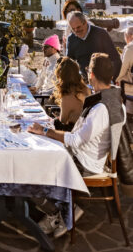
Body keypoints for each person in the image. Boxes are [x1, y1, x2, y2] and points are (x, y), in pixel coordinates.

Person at [29, 53, 126, 238]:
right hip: (88, 156)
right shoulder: (115, 101)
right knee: (40, 154)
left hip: (85, 164)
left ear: (91, 74)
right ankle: (61, 209)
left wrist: (44, 130)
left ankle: (61, 211)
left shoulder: (101, 108)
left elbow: (75, 140)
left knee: (33, 166)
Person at [67, 11, 121, 80]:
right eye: (73, 29)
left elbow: (116, 60)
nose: (76, 31)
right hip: (84, 83)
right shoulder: (71, 39)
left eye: (78, 27)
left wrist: (111, 80)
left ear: (85, 23)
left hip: (103, 82)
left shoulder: (101, 34)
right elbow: (69, 64)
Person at [51, 57, 90, 130]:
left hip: (73, 132)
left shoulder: (67, 96)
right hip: (85, 129)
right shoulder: (86, 89)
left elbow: (63, 121)